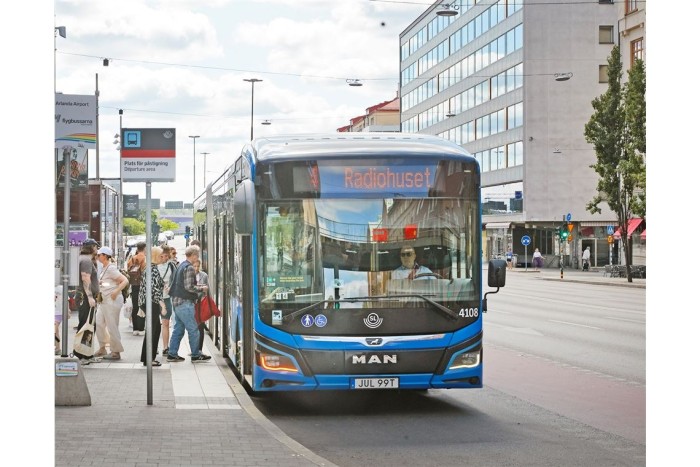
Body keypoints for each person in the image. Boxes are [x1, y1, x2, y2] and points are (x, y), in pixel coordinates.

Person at [167, 245, 211, 363]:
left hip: (177, 302)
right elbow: (189, 287)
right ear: (194, 255)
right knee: (193, 329)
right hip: (185, 303)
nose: (198, 257)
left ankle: (172, 354)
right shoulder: (189, 267)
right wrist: (202, 288)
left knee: (178, 329)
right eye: (197, 255)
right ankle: (196, 355)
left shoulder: (181, 265)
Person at [94, 247, 129, 360]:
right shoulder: (104, 268)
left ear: (105, 256)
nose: (97, 257)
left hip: (112, 300)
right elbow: (109, 282)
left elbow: (125, 280)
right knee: (99, 323)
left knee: (112, 326)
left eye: (99, 255)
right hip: (104, 300)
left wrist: (116, 291)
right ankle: (102, 347)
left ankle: (115, 351)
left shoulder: (111, 268)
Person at [138, 246, 167, 367]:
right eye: (160, 255)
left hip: (147, 302)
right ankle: (149, 358)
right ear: (155, 256)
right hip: (151, 303)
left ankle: (148, 358)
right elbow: (155, 290)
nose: (162, 257)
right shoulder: (153, 269)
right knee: (152, 331)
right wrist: (163, 305)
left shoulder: (149, 268)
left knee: (154, 330)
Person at [158, 245, 176, 357]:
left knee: (165, 322)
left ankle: (165, 347)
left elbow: (175, 280)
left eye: (166, 256)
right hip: (155, 298)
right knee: (154, 324)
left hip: (167, 297)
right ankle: (153, 346)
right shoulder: (153, 266)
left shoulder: (171, 266)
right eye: (162, 256)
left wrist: (171, 288)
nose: (164, 258)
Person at [127, 241, 147, 336]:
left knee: (135, 306)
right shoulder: (145, 258)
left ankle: (135, 328)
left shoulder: (132, 258)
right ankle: (141, 327)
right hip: (142, 285)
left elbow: (128, 270)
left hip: (134, 285)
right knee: (142, 306)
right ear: (144, 248)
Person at [193, 258, 209, 353]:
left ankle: (199, 349)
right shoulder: (188, 275)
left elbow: (206, 289)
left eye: (198, 266)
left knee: (200, 326)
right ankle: (194, 349)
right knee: (193, 327)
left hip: (201, 303)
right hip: (192, 303)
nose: (196, 268)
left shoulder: (204, 275)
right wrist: (201, 287)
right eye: (194, 266)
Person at [55, 285, 63, 355]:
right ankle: (57, 349)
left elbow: (66, 300)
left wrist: (68, 310)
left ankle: (57, 349)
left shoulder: (61, 288)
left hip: (58, 312)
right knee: (56, 331)